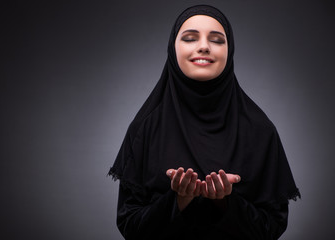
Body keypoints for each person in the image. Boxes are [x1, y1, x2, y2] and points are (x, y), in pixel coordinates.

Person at [108, 5, 300, 240]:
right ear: (172, 48)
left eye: (217, 40)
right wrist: (178, 200)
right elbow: (130, 226)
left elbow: (271, 228)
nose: (204, 46)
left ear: (230, 51)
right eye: (189, 38)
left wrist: (225, 203)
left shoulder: (260, 131)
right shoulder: (145, 128)